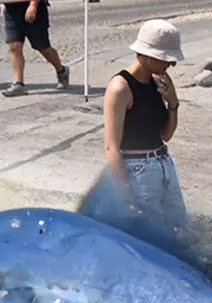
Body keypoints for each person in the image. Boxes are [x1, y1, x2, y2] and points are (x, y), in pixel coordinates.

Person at [82, 19, 185, 249]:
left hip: (163, 163)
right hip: (138, 171)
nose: (172, 64)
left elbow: (165, 135)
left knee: (176, 228)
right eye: (166, 58)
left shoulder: (157, 82)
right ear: (148, 54)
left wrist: (173, 104)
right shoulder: (120, 87)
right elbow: (111, 147)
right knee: (151, 237)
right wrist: (124, 194)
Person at [1, 0, 69, 97]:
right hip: (12, 11)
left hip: (35, 9)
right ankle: (18, 84)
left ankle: (62, 71)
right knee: (14, 46)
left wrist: (33, 5)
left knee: (43, 47)